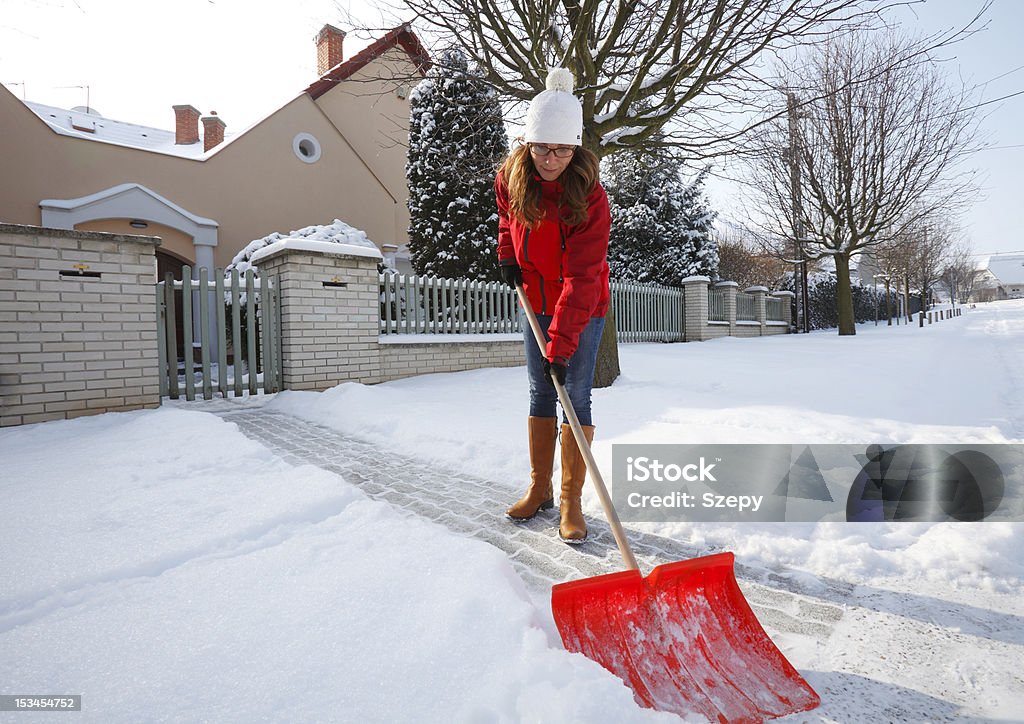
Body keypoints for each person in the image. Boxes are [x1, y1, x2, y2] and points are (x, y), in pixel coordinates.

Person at [495, 68, 611, 544]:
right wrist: (507, 254)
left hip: (582, 306)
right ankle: (540, 489)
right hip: (534, 300)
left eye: (562, 149)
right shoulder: (511, 177)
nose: (551, 158)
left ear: (576, 148)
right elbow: (505, 217)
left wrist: (562, 347)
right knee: (539, 393)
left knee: (573, 396)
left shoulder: (591, 198)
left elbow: (582, 278)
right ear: (528, 143)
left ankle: (570, 501)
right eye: (542, 147)